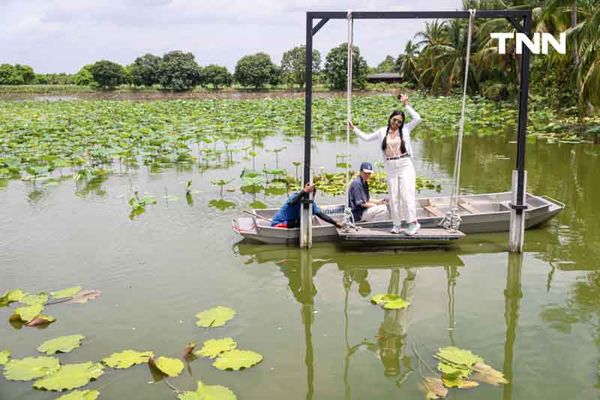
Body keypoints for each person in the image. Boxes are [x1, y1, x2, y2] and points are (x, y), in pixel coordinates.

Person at [348, 93, 422, 235]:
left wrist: (406, 105)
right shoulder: (382, 131)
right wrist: (354, 129)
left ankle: (413, 223)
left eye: (399, 122)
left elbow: (418, 119)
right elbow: (367, 138)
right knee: (393, 196)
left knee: (407, 195)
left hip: (405, 164)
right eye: (394, 120)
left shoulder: (405, 129)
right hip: (391, 167)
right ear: (390, 119)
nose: (396, 123)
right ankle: (396, 224)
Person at [271, 182, 342, 228]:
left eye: (314, 194)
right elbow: (292, 202)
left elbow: (322, 215)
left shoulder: (311, 204)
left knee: (305, 220)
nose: (313, 196)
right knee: (302, 222)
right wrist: (304, 191)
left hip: (290, 222)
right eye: (311, 194)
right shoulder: (296, 196)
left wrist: (335, 223)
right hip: (278, 224)